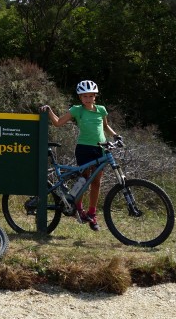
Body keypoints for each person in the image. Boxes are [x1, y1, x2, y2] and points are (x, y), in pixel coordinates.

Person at [40, 80, 121, 231]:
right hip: (84, 148)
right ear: (80, 97)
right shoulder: (77, 110)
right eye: (85, 96)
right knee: (84, 179)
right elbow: (58, 123)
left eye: (91, 96)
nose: (88, 99)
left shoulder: (101, 110)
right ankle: (78, 207)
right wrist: (49, 110)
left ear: (95, 96)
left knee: (96, 182)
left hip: (100, 149)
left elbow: (105, 126)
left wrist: (116, 135)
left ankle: (92, 214)